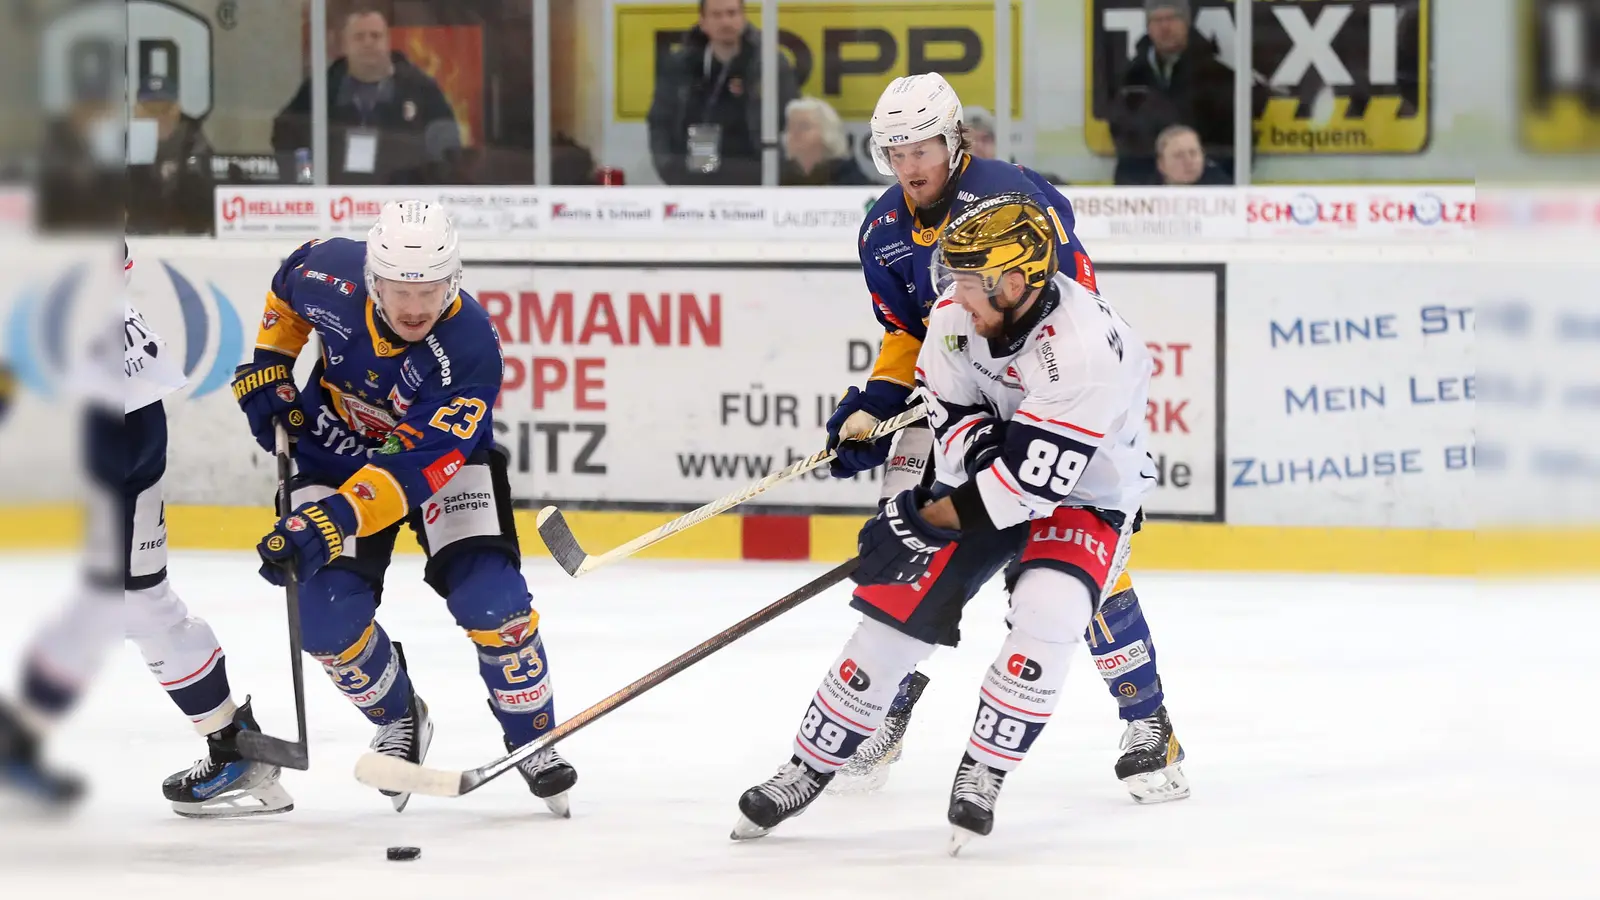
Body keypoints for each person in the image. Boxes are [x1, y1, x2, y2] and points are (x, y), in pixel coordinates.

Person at [793, 73, 1189, 806]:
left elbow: (1062, 312)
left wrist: (1019, 435)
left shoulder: (1015, 197)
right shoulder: (882, 230)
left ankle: (1147, 720)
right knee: (909, 539)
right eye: (893, 151)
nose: (910, 166)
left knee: (1072, 564)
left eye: (922, 148)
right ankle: (884, 710)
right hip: (961, 397)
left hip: (1048, 403)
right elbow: (907, 333)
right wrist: (876, 408)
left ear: (953, 143)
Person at [736, 195, 1162, 852]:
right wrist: (966, 468)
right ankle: (806, 766)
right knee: (893, 611)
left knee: (1049, 607)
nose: (954, 296)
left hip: (1089, 494)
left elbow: (1027, 487)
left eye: (969, 281)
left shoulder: (1084, 354)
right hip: (994, 477)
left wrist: (922, 519)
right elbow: (952, 413)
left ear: (1016, 282)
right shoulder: (957, 317)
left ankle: (984, 771)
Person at [230, 201, 576, 815]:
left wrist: (332, 520)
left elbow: (418, 469)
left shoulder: (471, 348)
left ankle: (533, 737)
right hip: (332, 452)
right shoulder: (327, 272)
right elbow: (285, 296)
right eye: (398, 290)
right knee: (322, 615)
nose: (415, 308)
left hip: (443, 466)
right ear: (370, 280)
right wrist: (272, 367)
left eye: (431, 290)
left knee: (491, 601)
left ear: (455, 279)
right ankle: (400, 717)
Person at [0, 242, 294, 819]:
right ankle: (232, 743)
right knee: (125, 602)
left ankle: (234, 744)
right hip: (126, 407)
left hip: (111, 421)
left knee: (132, 602)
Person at [270, 7, 461, 185]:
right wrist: (307, 178)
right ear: (345, 45)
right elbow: (286, 135)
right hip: (335, 200)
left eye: (375, 36)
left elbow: (446, 147)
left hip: (402, 200)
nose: (368, 43)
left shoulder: (420, 89)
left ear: (388, 42)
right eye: (359, 37)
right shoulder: (322, 88)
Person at [646, 0, 798, 185]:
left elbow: (792, 121)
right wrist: (669, 168)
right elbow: (660, 122)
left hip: (756, 177)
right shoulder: (681, 66)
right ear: (703, 22)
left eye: (732, 13)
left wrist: (778, 172)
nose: (726, 22)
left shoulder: (770, 65)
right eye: (717, 15)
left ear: (743, 17)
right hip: (696, 176)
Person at [1107, 0, 1236, 185]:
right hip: (1141, 191)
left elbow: (1233, 142)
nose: (1165, 27)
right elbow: (1120, 132)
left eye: (1172, 18)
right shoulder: (1130, 77)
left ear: (1186, 22)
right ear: (1148, 26)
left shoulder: (1217, 76)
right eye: (1156, 20)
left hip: (1205, 191)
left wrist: (1208, 173)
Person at [126, 74, 215, 234]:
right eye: (150, 110)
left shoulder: (195, 144)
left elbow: (206, 203)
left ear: (176, 110)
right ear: (138, 112)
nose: (159, 117)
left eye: (165, 109)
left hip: (187, 242)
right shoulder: (125, 146)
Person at [780, 97, 873, 186]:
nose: (794, 133)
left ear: (828, 133)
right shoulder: (775, 183)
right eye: (789, 127)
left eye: (804, 126)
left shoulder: (857, 187)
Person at [1154, 123, 1229, 185]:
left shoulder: (1222, 187)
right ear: (1161, 164)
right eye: (1179, 156)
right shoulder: (1145, 192)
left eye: (1193, 154)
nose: (1188, 161)